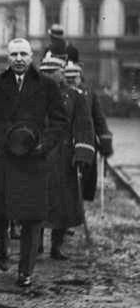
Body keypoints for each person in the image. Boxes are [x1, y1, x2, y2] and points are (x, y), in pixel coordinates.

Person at [0, 38, 68, 288]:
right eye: (14, 54)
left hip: (33, 159)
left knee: (32, 217)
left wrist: (44, 145)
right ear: (7, 58)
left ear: (32, 56)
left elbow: (59, 122)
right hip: (0, 158)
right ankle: (2, 249)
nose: (19, 59)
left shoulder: (47, 85)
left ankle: (25, 271)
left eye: (24, 54)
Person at [39, 55, 95, 260]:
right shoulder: (32, 95)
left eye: (54, 72)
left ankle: (56, 245)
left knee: (63, 204)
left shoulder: (74, 96)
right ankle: (35, 243)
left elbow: (84, 125)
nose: (51, 75)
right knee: (36, 200)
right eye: (45, 71)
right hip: (39, 155)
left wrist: (82, 154)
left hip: (64, 158)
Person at [64, 62, 113, 201]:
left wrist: (104, 138)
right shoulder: (60, 93)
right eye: (68, 76)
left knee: (85, 176)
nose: (71, 79)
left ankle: (81, 204)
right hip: (66, 141)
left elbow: (98, 118)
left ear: (80, 76)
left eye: (75, 76)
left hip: (87, 141)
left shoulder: (89, 93)